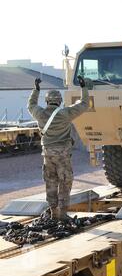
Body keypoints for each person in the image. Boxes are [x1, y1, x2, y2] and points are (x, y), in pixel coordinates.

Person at [27, 76, 89, 221]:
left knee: (51, 181)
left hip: (47, 153)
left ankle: (53, 212)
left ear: (47, 101)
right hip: (63, 154)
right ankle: (62, 213)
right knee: (65, 181)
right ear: (59, 101)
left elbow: (30, 105)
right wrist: (83, 87)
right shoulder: (65, 113)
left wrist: (36, 90)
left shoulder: (40, 114)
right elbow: (84, 104)